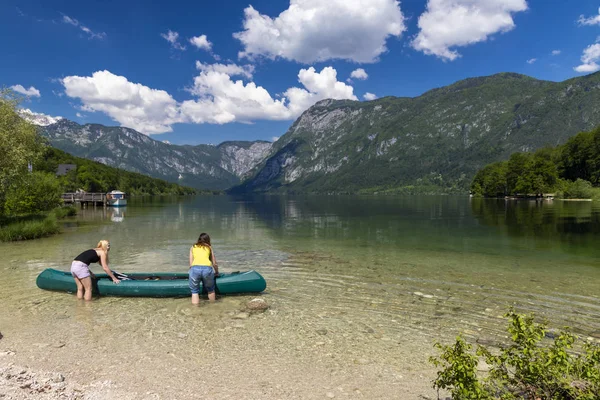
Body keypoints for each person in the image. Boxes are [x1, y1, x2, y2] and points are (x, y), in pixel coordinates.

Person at [189, 233, 219, 304]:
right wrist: (217, 272)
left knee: (194, 291)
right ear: (208, 240)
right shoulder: (209, 247)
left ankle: (195, 309)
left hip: (195, 269)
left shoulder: (193, 247)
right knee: (211, 290)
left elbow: (190, 264)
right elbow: (214, 263)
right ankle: (212, 306)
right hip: (207, 269)